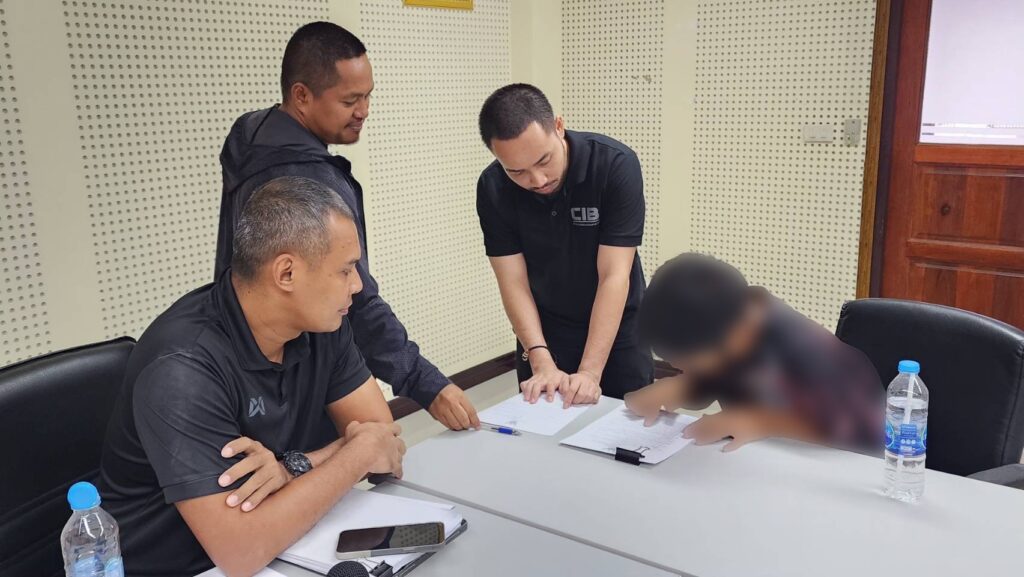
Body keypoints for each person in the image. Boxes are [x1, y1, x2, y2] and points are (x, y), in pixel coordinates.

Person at [98, 177, 406, 577]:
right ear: (286, 273)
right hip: (181, 566)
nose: (358, 285)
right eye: (346, 270)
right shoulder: (181, 368)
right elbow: (241, 552)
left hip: (287, 546)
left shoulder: (323, 324)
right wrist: (357, 452)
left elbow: (385, 442)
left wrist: (291, 468)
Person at [215, 21, 479, 431]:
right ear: (301, 95)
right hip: (305, 370)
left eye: (368, 95)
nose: (364, 111)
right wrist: (425, 382)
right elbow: (356, 298)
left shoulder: (252, 136)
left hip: (248, 358)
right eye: (350, 100)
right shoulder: (311, 183)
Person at [476, 83, 653, 407]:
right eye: (517, 171)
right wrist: (539, 357)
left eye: (544, 160)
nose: (538, 180)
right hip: (544, 331)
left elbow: (614, 275)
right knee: (544, 425)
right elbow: (513, 281)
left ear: (558, 126)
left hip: (617, 329)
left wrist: (590, 372)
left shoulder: (614, 164)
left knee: (625, 424)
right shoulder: (493, 186)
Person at [625, 253, 883, 452]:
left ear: (733, 337)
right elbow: (713, 379)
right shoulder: (724, 320)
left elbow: (866, 435)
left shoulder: (809, 350)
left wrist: (763, 422)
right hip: (759, 462)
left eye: (688, 363)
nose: (683, 369)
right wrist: (681, 388)